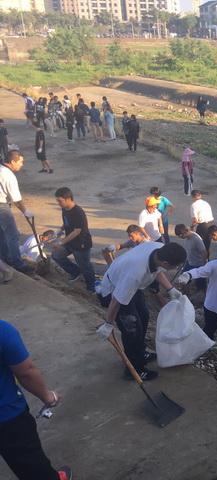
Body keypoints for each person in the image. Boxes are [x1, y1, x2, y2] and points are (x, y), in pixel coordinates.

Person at [99, 242, 186, 380]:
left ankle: (140, 352)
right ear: (165, 262)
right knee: (132, 329)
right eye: (174, 266)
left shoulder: (159, 249)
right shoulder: (135, 273)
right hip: (114, 289)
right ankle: (134, 369)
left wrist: (170, 289)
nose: (175, 268)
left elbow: (157, 271)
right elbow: (116, 300)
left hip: (133, 288)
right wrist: (108, 323)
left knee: (144, 317)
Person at [0, 319, 72, 480]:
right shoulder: (3, 330)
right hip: (7, 417)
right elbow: (26, 372)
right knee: (32, 467)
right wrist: (48, 396)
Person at [51, 187, 96, 292]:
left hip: (81, 244)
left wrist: (61, 242)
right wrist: (59, 231)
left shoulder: (78, 212)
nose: (58, 203)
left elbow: (77, 231)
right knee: (57, 255)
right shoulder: (65, 209)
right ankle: (75, 272)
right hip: (70, 242)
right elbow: (66, 223)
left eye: (60, 201)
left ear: (68, 199)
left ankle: (91, 287)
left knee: (85, 266)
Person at [0, 151, 35, 273]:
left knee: (2, 235)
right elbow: (17, 199)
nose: (22, 164)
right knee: (12, 235)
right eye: (20, 162)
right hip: (1, 206)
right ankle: (17, 263)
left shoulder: (1, 169)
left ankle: (5, 259)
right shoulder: (8, 175)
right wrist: (25, 211)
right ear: (13, 161)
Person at [175, 223, 207, 290]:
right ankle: (184, 290)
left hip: (198, 264)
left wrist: (203, 266)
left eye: (180, 235)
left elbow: (204, 252)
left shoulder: (196, 239)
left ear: (185, 231)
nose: (180, 237)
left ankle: (201, 293)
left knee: (200, 283)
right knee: (183, 278)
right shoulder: (187, 237)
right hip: (189, 262)